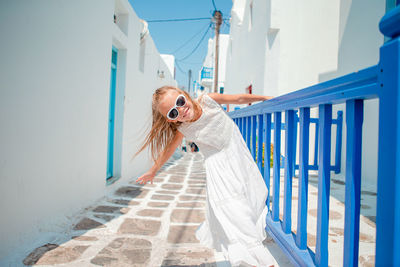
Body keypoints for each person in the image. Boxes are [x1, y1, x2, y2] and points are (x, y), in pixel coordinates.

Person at [136, 86, 275, 267]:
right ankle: (258, 257)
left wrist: (264, 97)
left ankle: (254, 252)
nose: (181, 109)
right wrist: (154, 169)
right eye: (172, 113)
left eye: (180, 102)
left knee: (250, 198)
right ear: (171, 120)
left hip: (237, 155)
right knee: (231, 209)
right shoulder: (184, 129)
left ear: (185, 95)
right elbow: (169, 149)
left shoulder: (208, 100)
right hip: (218, 168)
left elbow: (238, 98)